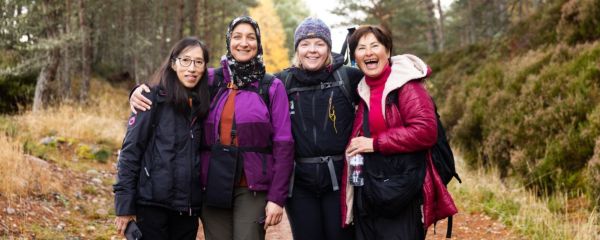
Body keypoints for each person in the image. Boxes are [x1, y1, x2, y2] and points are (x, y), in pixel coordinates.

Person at [129, 16, 294, 240]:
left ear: (258, 43)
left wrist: (277, 197)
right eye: (237, 36)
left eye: (250, 37)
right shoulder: (209, 79)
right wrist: (140, 90)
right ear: (228, 40)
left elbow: (284, 145)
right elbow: (173, 81)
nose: (243, 43)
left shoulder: (271, 86)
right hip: (213, 183)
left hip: (252, 186)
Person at [343, 25, 456, 239]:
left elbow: (425, 131)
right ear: (355, 57)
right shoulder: (361, 89)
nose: (368, 52)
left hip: (404, 190)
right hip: (369, 189)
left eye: (375, 46)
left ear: (388, 51)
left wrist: (375, 143)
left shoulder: (407, 86)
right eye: (361, 48)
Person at [113, 37, 211, 239]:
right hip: (151, 206)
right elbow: (130, 152)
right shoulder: (151, 98)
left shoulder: (203, 105)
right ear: (173, 63)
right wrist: (124, 206)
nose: (192, 68)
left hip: (187, 210)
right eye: (185, 60)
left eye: (198, 62)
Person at [275, 17, 363, 240]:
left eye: (319, 43)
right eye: (305, 44)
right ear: (297, 49)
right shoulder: (282, 82)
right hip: (300, 185)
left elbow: (381, 79)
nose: (312, 50)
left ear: (328, 48)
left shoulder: (347, 77)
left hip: (341, 180)